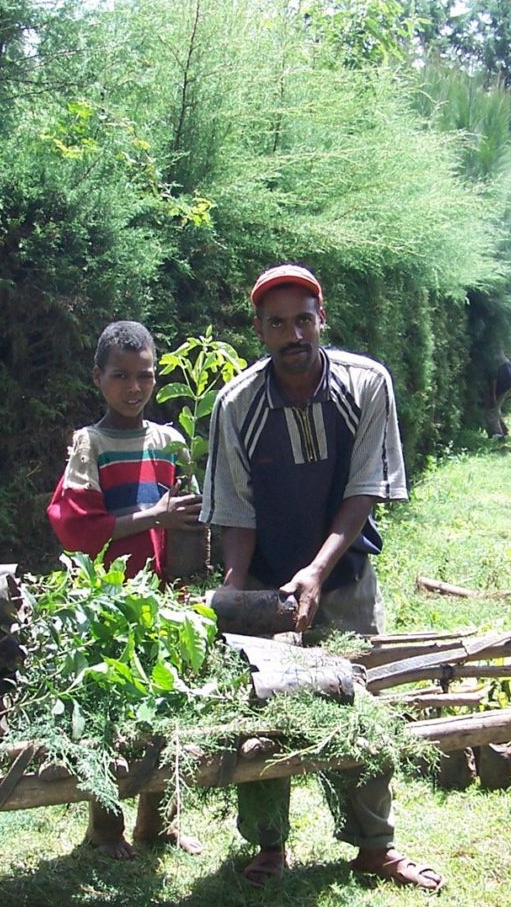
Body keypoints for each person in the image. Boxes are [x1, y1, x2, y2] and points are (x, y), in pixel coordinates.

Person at [199, 263, 443, 892]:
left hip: (344, 575)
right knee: (261, 711)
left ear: (322, 318)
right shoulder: (238, 403)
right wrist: (240, 595)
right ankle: (268, 845)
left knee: (360, 707)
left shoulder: (367, 384)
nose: (292, 334)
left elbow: (366, 488)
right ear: (259, 330)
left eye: (302, 319)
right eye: (276, 323)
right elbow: (234, 507)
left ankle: (374, 846)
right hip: (268, 578)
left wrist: (315, 572)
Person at [46, 319, 205, 860]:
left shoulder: (171, 443)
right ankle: (104, 828)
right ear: (98, 378)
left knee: (166, 703)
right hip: (107, 602)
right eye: (120, 376)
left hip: (163, 600)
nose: (133, 388)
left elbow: (190, 518)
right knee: (109, 713)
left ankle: (158, 824)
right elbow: (75, 526)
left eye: (144, 376)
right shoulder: (89, 445)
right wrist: (152, 516)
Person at [485, 352, 511, 439]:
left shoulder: (490, 362)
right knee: (497, 409)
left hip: (507, 385)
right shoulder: (498, 356)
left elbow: (494, 380)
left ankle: (498, 435)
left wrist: (493, 396)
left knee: (492, 411)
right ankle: (504, 430)